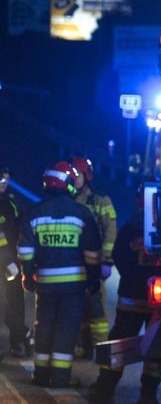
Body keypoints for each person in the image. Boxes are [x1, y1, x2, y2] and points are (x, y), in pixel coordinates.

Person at [17, 162, 102, 387]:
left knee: (43, 326)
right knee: (66, 329)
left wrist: (26, 275)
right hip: (73, 287)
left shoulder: (34, 213)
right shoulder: (81, 213)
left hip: (44, 284)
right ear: (67, 184)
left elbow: (25, 250)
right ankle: (61, 378)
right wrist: (93, 279)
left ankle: (41, 374)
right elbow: (93, 252)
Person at [88, 208, 161, 404]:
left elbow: (120, 256)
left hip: (146, 299)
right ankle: (109, 386)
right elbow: (119, 256)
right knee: (122, 344)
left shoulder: (131, 229)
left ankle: (144, 393)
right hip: (137, 299)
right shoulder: (137, 230)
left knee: (147, 347)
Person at [70, 155, 116, 357]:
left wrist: (106, 260)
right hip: (73, 265)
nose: (75, 178)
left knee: (96, 312)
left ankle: (101, 350)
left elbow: (110, 231)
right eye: (72, 175)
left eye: (78, 175)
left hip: (95, 265)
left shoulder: (100, 200)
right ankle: (82, 349)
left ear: (86, 176)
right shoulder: (67, 201)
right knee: (77, 310)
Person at [0, 167, 30, 357]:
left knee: (15, 303)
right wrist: (8, 260)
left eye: (6, 179)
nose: (5, 183)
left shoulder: (10, 202)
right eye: (1, 180)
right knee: (5, 305)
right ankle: (21, 336)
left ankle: (17, 341)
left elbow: (19, 231)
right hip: (5, 262)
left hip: (11, 264)